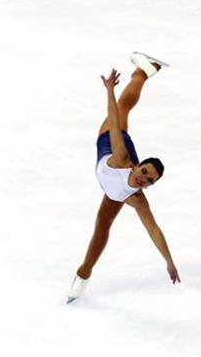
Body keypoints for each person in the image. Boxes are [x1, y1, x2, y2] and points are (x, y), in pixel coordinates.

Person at [67, 52, 181, 304]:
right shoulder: (121, 158)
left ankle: (83, 274)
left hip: (114, 189)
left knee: (102, 226)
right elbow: (115, 121)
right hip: (110, 143)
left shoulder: (136, 198)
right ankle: (142, 73)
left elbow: (153, 229)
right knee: (121, 110)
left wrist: (169, 261)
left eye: (149, 180)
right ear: (138, 166)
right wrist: (109, 90)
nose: (144, 180)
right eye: (144, 172)